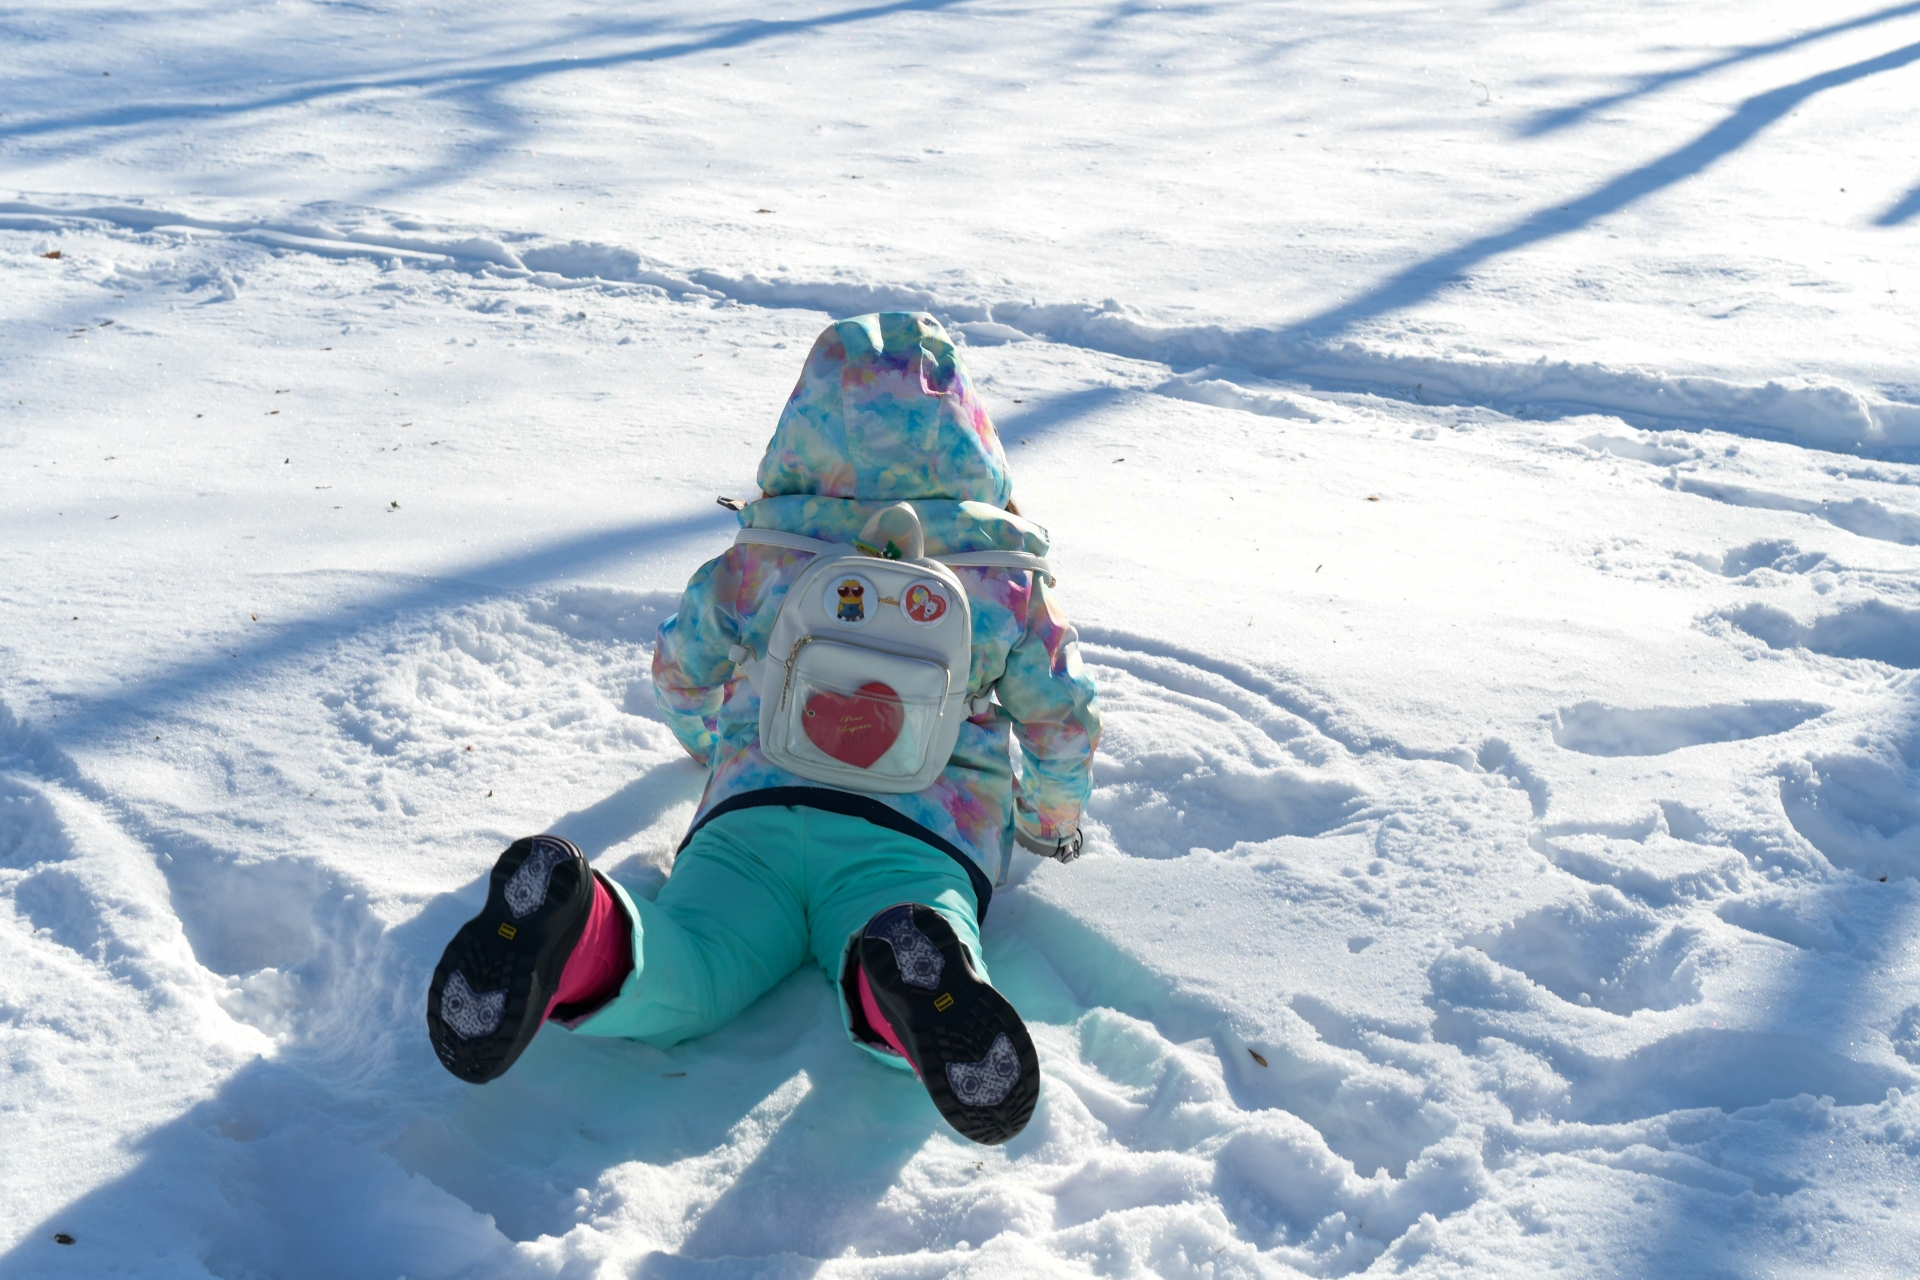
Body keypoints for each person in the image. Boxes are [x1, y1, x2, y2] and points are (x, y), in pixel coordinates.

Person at [426, 311, 1101, 1145]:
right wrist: (1046, 822)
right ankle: (914, 966)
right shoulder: (1004, 581)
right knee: (897, 937)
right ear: (971, 434)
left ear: (802, 425)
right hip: (918, 834)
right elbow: (1061, 720)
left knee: (697, 963)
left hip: (753, 817)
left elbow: (682, 667)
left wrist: (712, 746)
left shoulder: (763, 556)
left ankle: (583, 930)